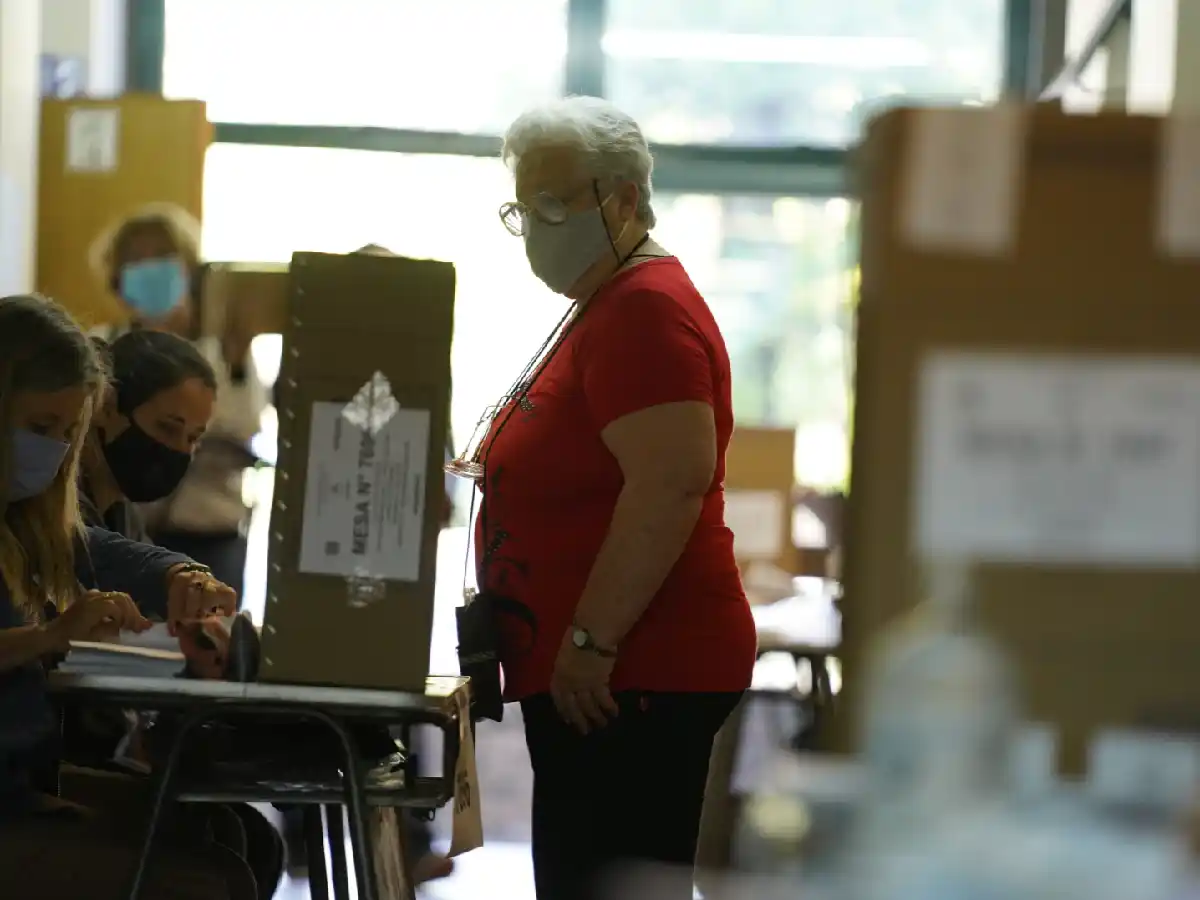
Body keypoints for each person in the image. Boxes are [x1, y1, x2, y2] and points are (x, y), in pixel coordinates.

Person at [466, 97, 759, 900]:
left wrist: (592, 640)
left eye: (555, 204)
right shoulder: (608, 303)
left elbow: (670, 483)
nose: (538, 227)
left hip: (635, 670)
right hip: (612, 673)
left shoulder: (644, 311)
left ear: (625, 198)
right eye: (523, 210)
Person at [0, 293, 248, 897]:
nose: (55, 449)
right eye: (40, 428)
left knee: (222, 834)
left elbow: (92, 547)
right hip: (13, 802)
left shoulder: (20, 516)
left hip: (24, 786)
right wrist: (49, 636)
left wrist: (180, 574)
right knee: (206, 882)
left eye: (67, 432)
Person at [72, 329, 286, 897]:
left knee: (251, 837)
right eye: (167, 429)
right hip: (64, 753)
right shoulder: (58, 513)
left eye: (193, 439)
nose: (179, 454)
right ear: (107, 409)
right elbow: (86, 552)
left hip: (107, 740)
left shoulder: (123, 514)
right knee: (223, 850)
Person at [90, 203, 267, 596]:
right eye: (136, 259)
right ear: (117, 276)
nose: (150, 268)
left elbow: (244, 427)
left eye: (162, 256)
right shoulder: (101, 344)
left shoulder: (225, 350)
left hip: (209, 532)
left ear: (190, 269)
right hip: (117, 534)